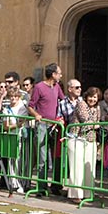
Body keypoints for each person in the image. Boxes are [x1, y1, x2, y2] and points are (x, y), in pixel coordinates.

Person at [28, 63, 65, 195]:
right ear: (53, 74)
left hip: (54, 125)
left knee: (56, 157)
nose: (61, 75)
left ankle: (55, 185)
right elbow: (31, 105)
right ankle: (42, 187)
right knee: (42, 158)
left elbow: (63, 101)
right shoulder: (39, 87)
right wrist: (37, 115)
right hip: (43, 125)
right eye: (59, 73)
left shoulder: (57, 87)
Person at [68, 86, 103, 200]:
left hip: (91, 140)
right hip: (77, 138)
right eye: (90, 96)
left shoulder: (97, 108)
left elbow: (97, 122)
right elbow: (85, 121)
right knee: (77, 168)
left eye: (95, 97)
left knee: (89, 167)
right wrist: (96, 125)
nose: (92, 99)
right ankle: (76, 194)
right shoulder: (81, 104)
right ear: (86, 96)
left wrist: (96, 124)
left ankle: (88, 193)